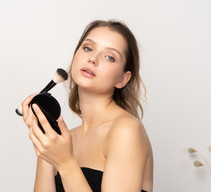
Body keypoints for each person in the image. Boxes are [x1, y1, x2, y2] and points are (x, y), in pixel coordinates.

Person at [21, 20, 153, 192]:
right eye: (88, 48)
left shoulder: (126, 130)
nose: (93, 59)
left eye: (110, 57)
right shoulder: (65, 138)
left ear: (122, 79)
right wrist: (46, 144)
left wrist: (65, 163)